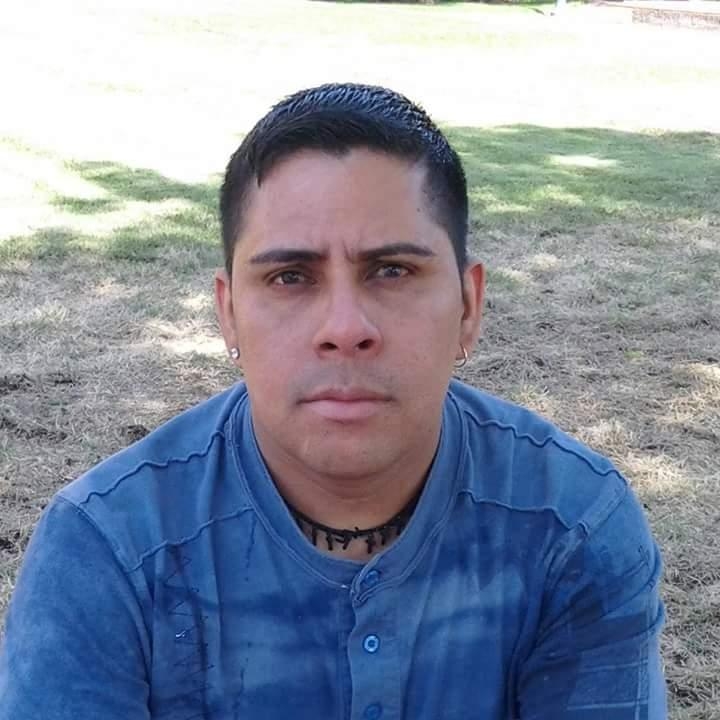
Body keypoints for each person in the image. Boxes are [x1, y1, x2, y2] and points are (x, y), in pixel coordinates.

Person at [0, 83, 666, 719]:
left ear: (468, 306)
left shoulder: (572, 526)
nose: (345, 328)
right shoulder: (107, 551)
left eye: (392, 271)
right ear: (229, 315)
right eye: (290, 277)